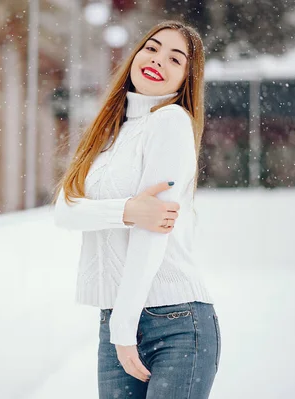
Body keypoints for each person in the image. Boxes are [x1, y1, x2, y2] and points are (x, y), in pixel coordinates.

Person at [53, 20, 220, 398]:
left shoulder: (171, 122)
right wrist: (127, 210)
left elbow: (152, 235)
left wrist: (126, 329)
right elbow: (65, 210)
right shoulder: (109, 131)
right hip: (116, 319)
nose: (158, 60)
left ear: (185, 80)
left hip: (176, 321)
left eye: (175, 59)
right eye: (152, 48)